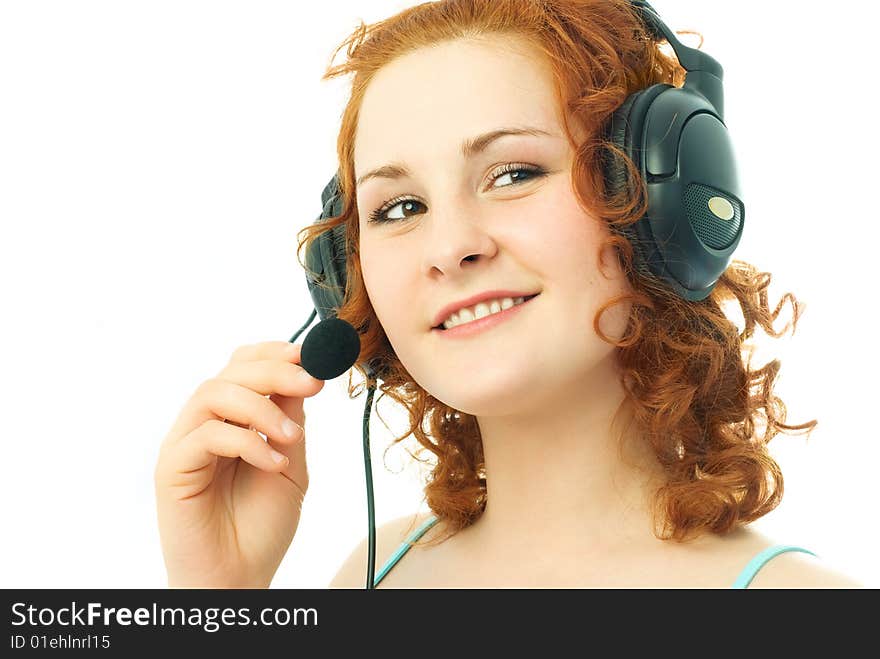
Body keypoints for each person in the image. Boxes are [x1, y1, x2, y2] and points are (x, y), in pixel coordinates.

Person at [154, 0, 863, 588]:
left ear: (656, 197)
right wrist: (220, 601)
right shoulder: (378, 575)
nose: (450, 246)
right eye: (399, 207)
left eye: (514, 172)